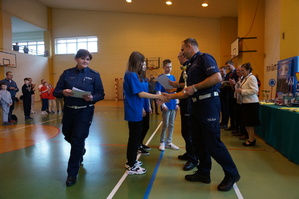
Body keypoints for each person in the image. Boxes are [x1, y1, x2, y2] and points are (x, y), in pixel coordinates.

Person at [164, 38, 240, 192]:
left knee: (213, 143)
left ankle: (232, 174)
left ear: (189, 46)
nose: (182, 52)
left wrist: (195, 87)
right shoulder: (191, 65)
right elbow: (188, 91)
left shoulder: (204, 58)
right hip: (195, 106)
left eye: (183, 49)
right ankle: (204, 173)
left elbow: (217, 78)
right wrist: (168, 97)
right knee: (198, 142)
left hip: (208, 105)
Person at [54, 49, 105, 186]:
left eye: (88, 59)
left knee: (77, 139)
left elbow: (101, 93)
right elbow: (56, 92)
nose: (85, 61)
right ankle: (81, 150)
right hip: (69, 111)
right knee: (67, 135)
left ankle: (72, 173)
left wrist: (92, 97)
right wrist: (63, 92)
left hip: (85, 112)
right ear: (76, 59)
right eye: (83, 58)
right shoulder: (67, 73)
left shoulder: (94, 75)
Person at [123, 51, 167, 175]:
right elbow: (140, 93)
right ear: (136, 62)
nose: (143, 64)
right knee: (134, 137)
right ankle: (131, 165)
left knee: (135, 137)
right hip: (133, 109)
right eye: (142, 61)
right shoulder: (130, 75)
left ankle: (131, 161)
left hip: (137, 108)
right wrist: (157, 97)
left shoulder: (134, 75)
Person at [169, 51, 197, 171]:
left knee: (189, 132)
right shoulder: (185, 69)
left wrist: (176, 85)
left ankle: (193, 158)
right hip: (184, 103)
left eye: (179, 56)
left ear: (183, 56)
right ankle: (189, 153)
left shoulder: (190, 68)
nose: (178, 58)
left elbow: (188, 85)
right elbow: (184, 85)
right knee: (185, 131)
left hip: (189, 104)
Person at [156, 59, 179, 151]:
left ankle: (169, 142)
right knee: (165, 124)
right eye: (167, 67)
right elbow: (158, 92)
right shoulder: (160, 78)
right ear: (163, 67)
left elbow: (175, 91)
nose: (169, 68)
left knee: (172, 124)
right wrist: (162, 105)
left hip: (173, 104)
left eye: (170, 67)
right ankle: (162, 142)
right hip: (165, 104)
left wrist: (177, 102)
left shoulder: (173, 78)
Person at [236, 63, 260, 146]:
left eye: (243, 70)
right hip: (245, 103)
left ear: (248, 70)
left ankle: (251, 139)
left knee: (250, 123)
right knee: (247, 122)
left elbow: (255, 90)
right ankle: (250, 138)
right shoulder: (245, 78)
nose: (241, 72)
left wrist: (242, 91)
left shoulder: (251, 78)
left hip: (251, 103)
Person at [224, 60, 239, 131]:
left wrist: (233, 83)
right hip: (229, 95)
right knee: (230, 111)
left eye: (229, 66)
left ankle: (236, 126)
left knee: (235, 112)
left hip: (235, 95)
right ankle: (232, 125)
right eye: (227, 67)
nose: (228, 68)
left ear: (232, 65)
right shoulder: (228, 74)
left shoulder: (237, 73)